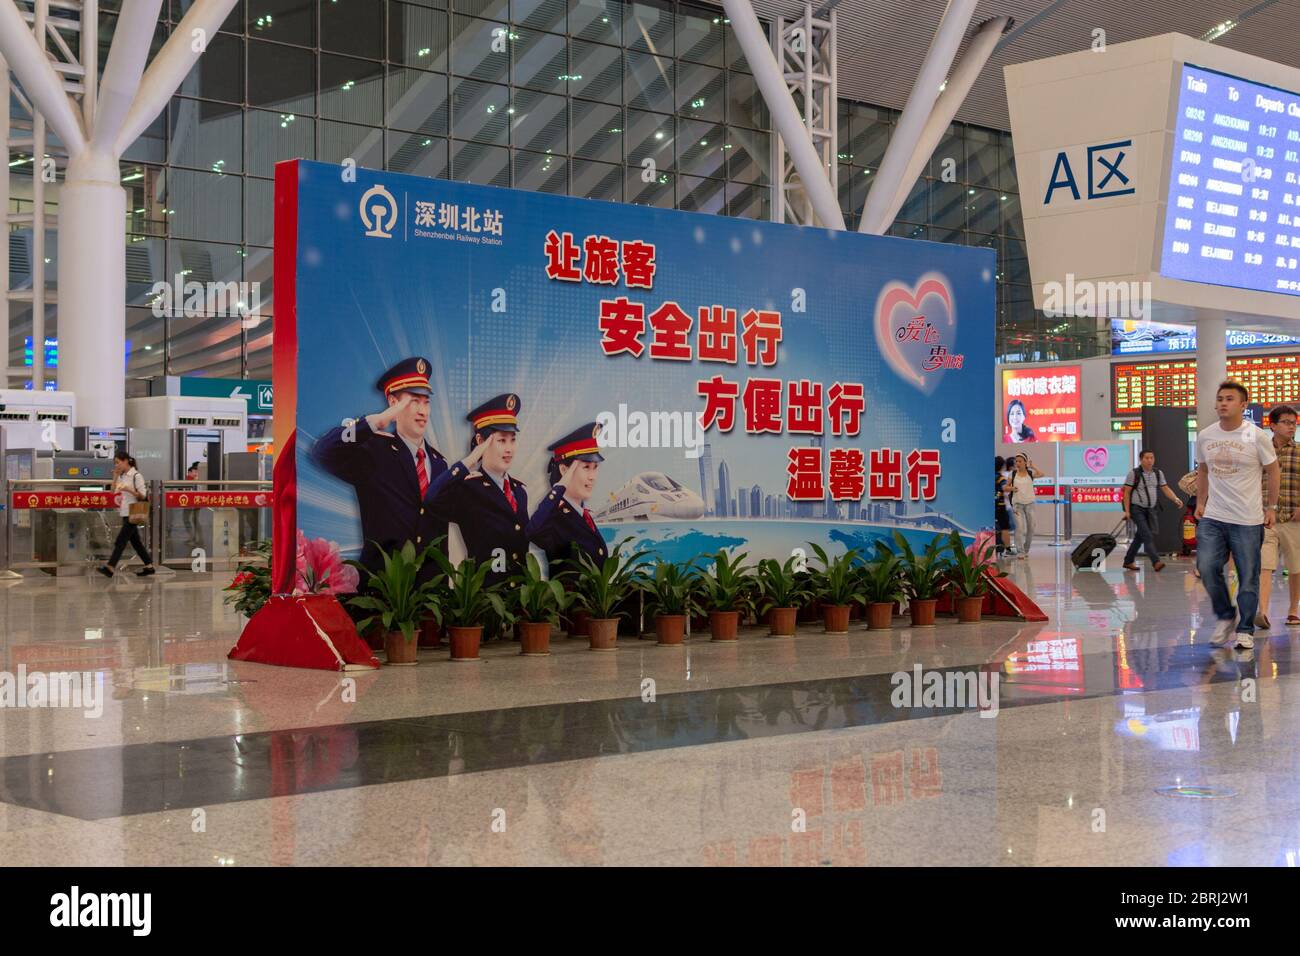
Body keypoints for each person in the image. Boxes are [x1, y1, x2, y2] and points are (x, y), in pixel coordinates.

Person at [312, 357, 449, 578]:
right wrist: (377, 421)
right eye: (414, 401)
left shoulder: (440, 463)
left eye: (426, 402)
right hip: (384, 586)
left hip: (431, 589)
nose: (423, 411)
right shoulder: (375, 451)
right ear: (393, 403)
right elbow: (323, 452)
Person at [1196, 381, 1280, 650]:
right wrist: (1200, 502)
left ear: (1243, 405)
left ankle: (1245, 629)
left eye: (1229, 399)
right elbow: (1203, 470)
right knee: (1207, 567)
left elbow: (1273, 470)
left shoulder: (1256, 436)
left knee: (1248, 577)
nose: (1223, 403)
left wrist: (1271, 507)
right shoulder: (1206, 435)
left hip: (1247, 519)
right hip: (1214, 516)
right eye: (1220, 398)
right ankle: (1225, 616)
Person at [425, 393, 528, 588]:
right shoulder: (469, 488)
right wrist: (469, 461)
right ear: (481, 441)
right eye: (501, 440)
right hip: (486, 598)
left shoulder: (519, 492)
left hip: (520, 600)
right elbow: (432, 499)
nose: (509, 449)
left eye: (512, 440)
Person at [527, 422, 609, 573]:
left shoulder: (582, 514)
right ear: (564, 469)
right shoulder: (555, 517)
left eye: (595, 467)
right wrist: (559, 487)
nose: (592, 477)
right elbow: (533, 531)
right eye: (586, 467)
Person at [1257, 405, 1300, 631]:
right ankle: (1263, 611)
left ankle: (1293, 608)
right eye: (1285, 422)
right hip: (1266, 518)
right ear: (1272, 425)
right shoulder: (1262, 452)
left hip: (1294, 518)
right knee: (1265, 564)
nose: (1291, 426)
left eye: (1293, 422)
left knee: (1295, 567)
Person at [1121, 450, 1183, 572]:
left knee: (1140, 536)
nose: (1150, 460)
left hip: (1151, 510)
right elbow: (1126, 493)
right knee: (1147, 535)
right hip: (1136, 508)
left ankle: (1128, 561)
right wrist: (1127, 511)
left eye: (1152, 458)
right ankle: (1156, 562)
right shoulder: (1133, 474)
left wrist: (1175, 498)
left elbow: (1165, 488)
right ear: (1141, 459)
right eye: (1147, 458)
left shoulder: (1158, 473)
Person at [97, 452, 157, 578]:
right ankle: (149, 566)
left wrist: (128, 490)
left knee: (121, 540)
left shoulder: (136, 476)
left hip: (134, 512)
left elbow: (143, 495)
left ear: (126, 461)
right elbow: (112, 492)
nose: (116, 465)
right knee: (136, 542)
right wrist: (115, 476)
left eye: (118, 462)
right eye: (115, 463)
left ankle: (110, 567)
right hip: (125, 512)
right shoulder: (122, 476)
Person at [1009, 453, 1041, 558]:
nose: (1017, 463)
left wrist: (1033, 467)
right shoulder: (1013, 474)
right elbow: (1006, 486)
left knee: (1031, 528)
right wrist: (1011, 488)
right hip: (1017, 505)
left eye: (1020, 461)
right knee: (1019, 528)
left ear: (1025, 462)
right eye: (1016, 461)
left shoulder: (1030, 473)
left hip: (1030, 504)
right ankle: (1020, 551)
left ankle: (1026, 549)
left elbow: (1042, 474)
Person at [993, 456, 1012, 557]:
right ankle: (1007, 549)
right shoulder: (1000, 478)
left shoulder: (987, 475)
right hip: (1000, 506)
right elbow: (1005, 488)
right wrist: (1013, 488)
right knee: (1004, 528)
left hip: (990, 506)